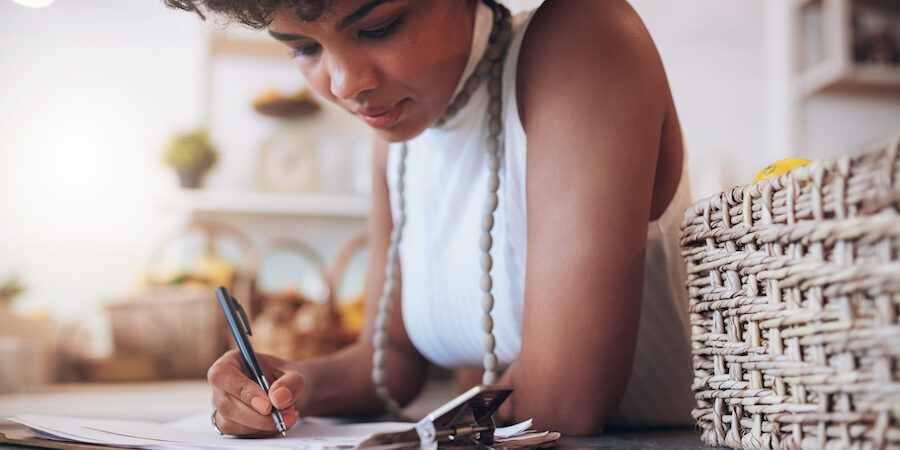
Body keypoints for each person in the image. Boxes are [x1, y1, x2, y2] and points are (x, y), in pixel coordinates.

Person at [165, 0, 694, 436]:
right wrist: (283, 387)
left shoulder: (583, 38)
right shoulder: (395, 140)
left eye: (380, 26)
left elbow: (565, 401)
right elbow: (389, 359)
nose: (347, 84)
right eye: (304, 48)